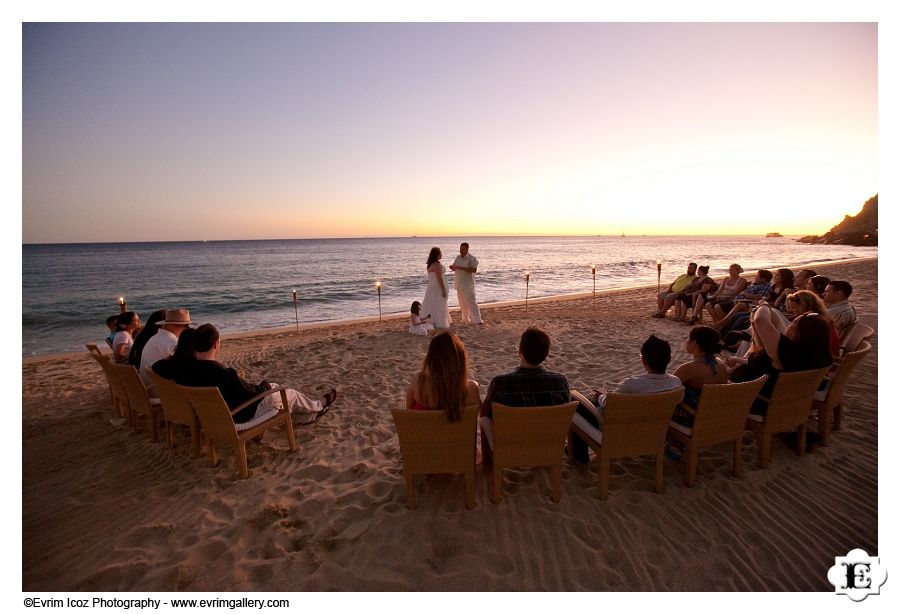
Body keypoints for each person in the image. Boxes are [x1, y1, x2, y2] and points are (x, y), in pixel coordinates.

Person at [161, 324, 337, 426]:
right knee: (285, 392)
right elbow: (253, 395)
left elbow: (160, 366)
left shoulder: (185, 369)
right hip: (241, 416)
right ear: (215, 345)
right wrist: (266, 385)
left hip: (215, 417)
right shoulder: (223, 374)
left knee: (276, 391)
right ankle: (317, 406)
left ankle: (308, 416)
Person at [570, 335, 680, 463]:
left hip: (623, 433)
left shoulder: (631, 384)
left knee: (577, 404)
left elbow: (610, 406)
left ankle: (579, 456)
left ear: (644, 360)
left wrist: (601, 396)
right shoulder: (676, 384)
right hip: (654, 434)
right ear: (668, 360)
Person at [728, 305, 833, 415]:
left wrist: (764, 306)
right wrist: (740, 360)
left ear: (799, 333)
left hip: (756, 402)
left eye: (793, 322)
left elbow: (760, 320)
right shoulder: (820, 354)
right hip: (784, 400)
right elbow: (769, 367)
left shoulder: (789, 352)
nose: (789, 324)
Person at [480, 327, 570, 418]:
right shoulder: (560, 383)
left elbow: (485, 415)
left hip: (513, 431)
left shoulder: (500, 384)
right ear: (546, 354)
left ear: (520, 351)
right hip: (550, 431)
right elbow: (566, 415)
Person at [405, 331, 481, 421]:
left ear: (430, 358)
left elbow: (409, 412)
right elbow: (475, 418)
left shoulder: (419, 382)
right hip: (457, 435)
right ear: (460, 360)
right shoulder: (472, 388)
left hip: (425, 434)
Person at [139, 308, 194, 396]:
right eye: (186, 326)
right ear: (175, 325)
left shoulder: (155, 338)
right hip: (159, 392)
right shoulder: (171, 343)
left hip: (149, 387)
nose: (187, 329)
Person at [673, 326, 728, 409]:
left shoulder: (688, 369)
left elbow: (668, 389)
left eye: (688, 338)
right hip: (717, 410)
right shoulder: (721, 363)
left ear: (694, 343)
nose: (686, 341)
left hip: (695, 415)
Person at [449, 242, 483, 324]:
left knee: (472, 302)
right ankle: (466, 319)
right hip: (459, 283)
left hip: (468, 284)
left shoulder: (472, 258)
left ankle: (477, 320)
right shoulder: (458, 258)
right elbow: (455, 266)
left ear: (467, 249)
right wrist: (452, 267)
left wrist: (460, 267)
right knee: (462, 303)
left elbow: (473, 270)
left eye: (463, 249)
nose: (461, 250)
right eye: (460, 249)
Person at [421, 247, 451, 329]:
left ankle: (431, 320)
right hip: (437, 286)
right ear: (437, 254)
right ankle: (439, 321)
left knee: (431, 302)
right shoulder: (437, 265)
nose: (441, 254)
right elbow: (439, 278)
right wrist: (443, 289)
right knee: (439, 302)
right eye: (440, 252)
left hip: (431, 286)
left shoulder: (430, 264)